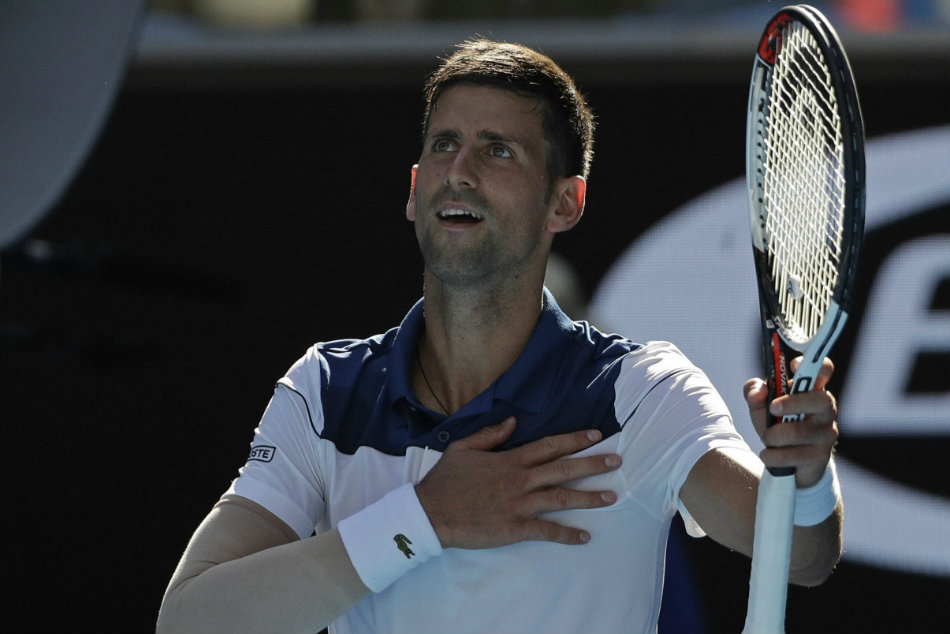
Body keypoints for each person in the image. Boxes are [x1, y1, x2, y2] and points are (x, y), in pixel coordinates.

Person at [156, 39, 843, 634]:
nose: (460, 170)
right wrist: (423, 519)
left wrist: (806, 475)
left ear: (564, 202)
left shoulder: (641, 393)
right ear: (415, 188)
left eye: (498, 150)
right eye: (444, 144)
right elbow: (190, 620)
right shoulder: (324, 390)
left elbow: (801, 554)